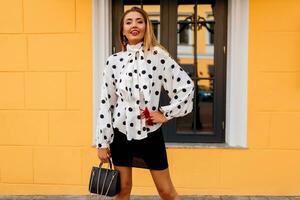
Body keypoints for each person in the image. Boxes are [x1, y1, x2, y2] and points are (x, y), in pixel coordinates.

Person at [96, 6, 194, 200]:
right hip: (121, 134)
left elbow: (186, 87)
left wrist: (165, 113)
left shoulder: (158, 57)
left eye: (139, 21)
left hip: (150, 133)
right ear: (122, 29)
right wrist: (102, 142)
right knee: (123, 189)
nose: (134, 25)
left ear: (146, 27)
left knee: (166, 191)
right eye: (129, 21)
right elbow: (106, 103)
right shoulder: (113, 61)